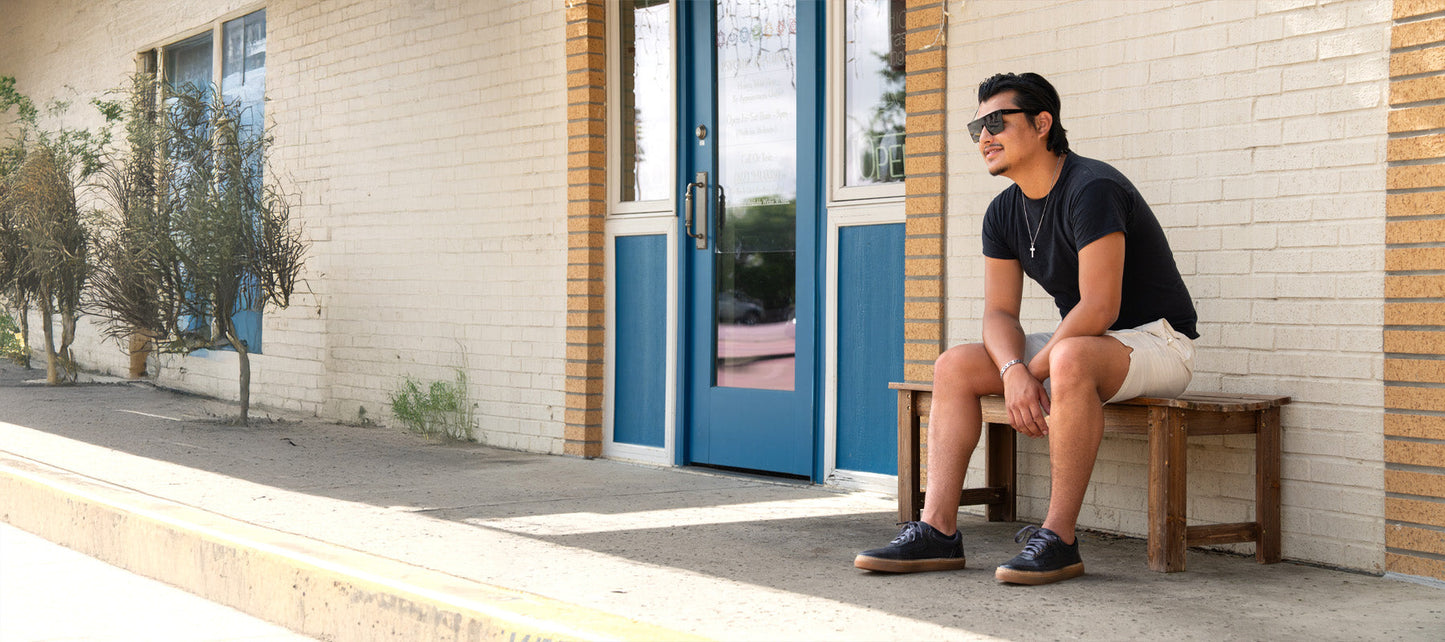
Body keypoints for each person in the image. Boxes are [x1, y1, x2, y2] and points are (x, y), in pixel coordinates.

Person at [854, 72, 1198, 585]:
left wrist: (1029, 371)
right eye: (977, 128)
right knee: (956, 365)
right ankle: (938, 530)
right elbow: (999, 315)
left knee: (1070, 356)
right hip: (1085, 341)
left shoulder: (1092, 188)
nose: (984, 136)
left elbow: (1100, 306)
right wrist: (1015, 371)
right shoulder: (1003, 212)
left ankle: (1059, 539)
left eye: (996, 121)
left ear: (1042, 123)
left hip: (1157, 340)